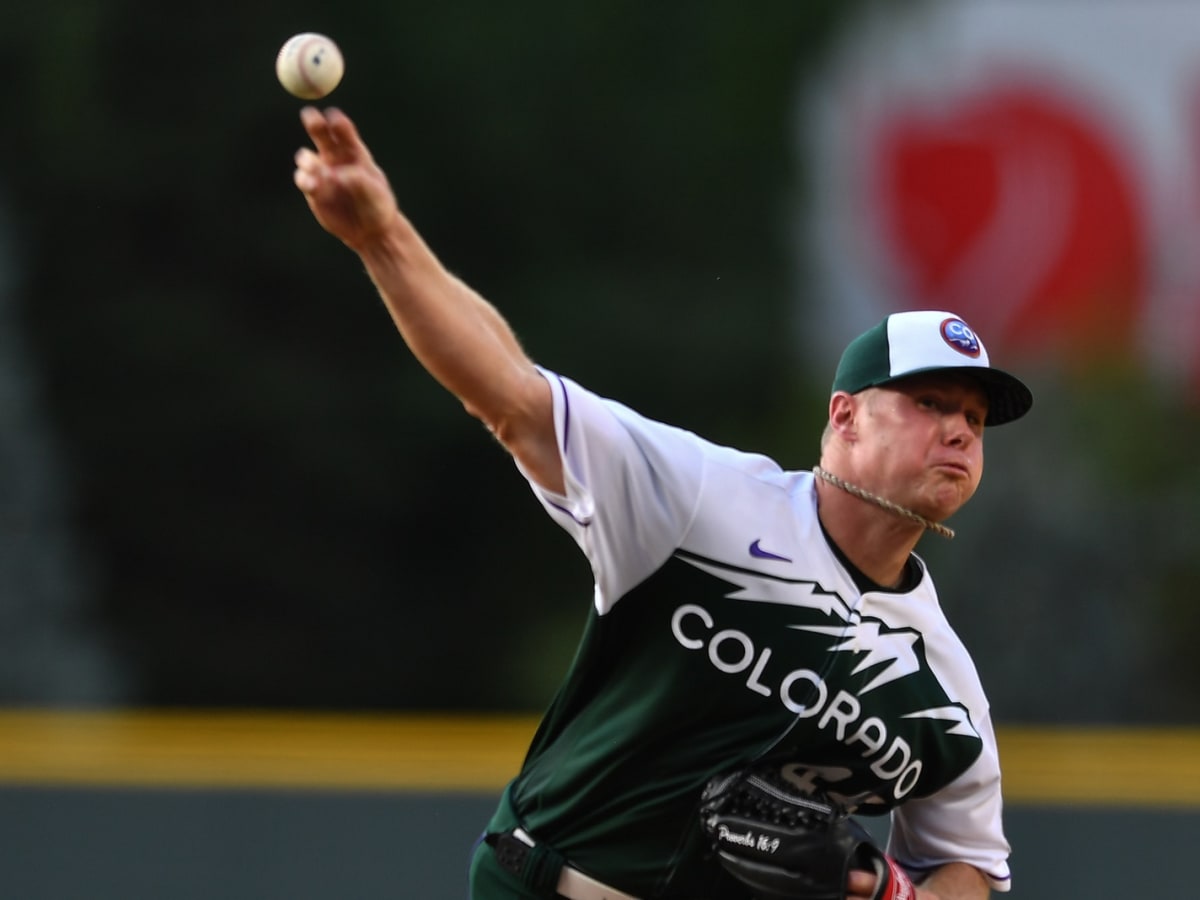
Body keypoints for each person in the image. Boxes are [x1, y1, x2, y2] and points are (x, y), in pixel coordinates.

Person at [291, 105, 1032, 900]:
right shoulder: (704, 501)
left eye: (975, 420)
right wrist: (382, 238)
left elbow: (972, 868)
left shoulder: (945, 692)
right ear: (844, 415)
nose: (958, 430)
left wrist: (891, 893)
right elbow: (510, 396)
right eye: (930, 403)